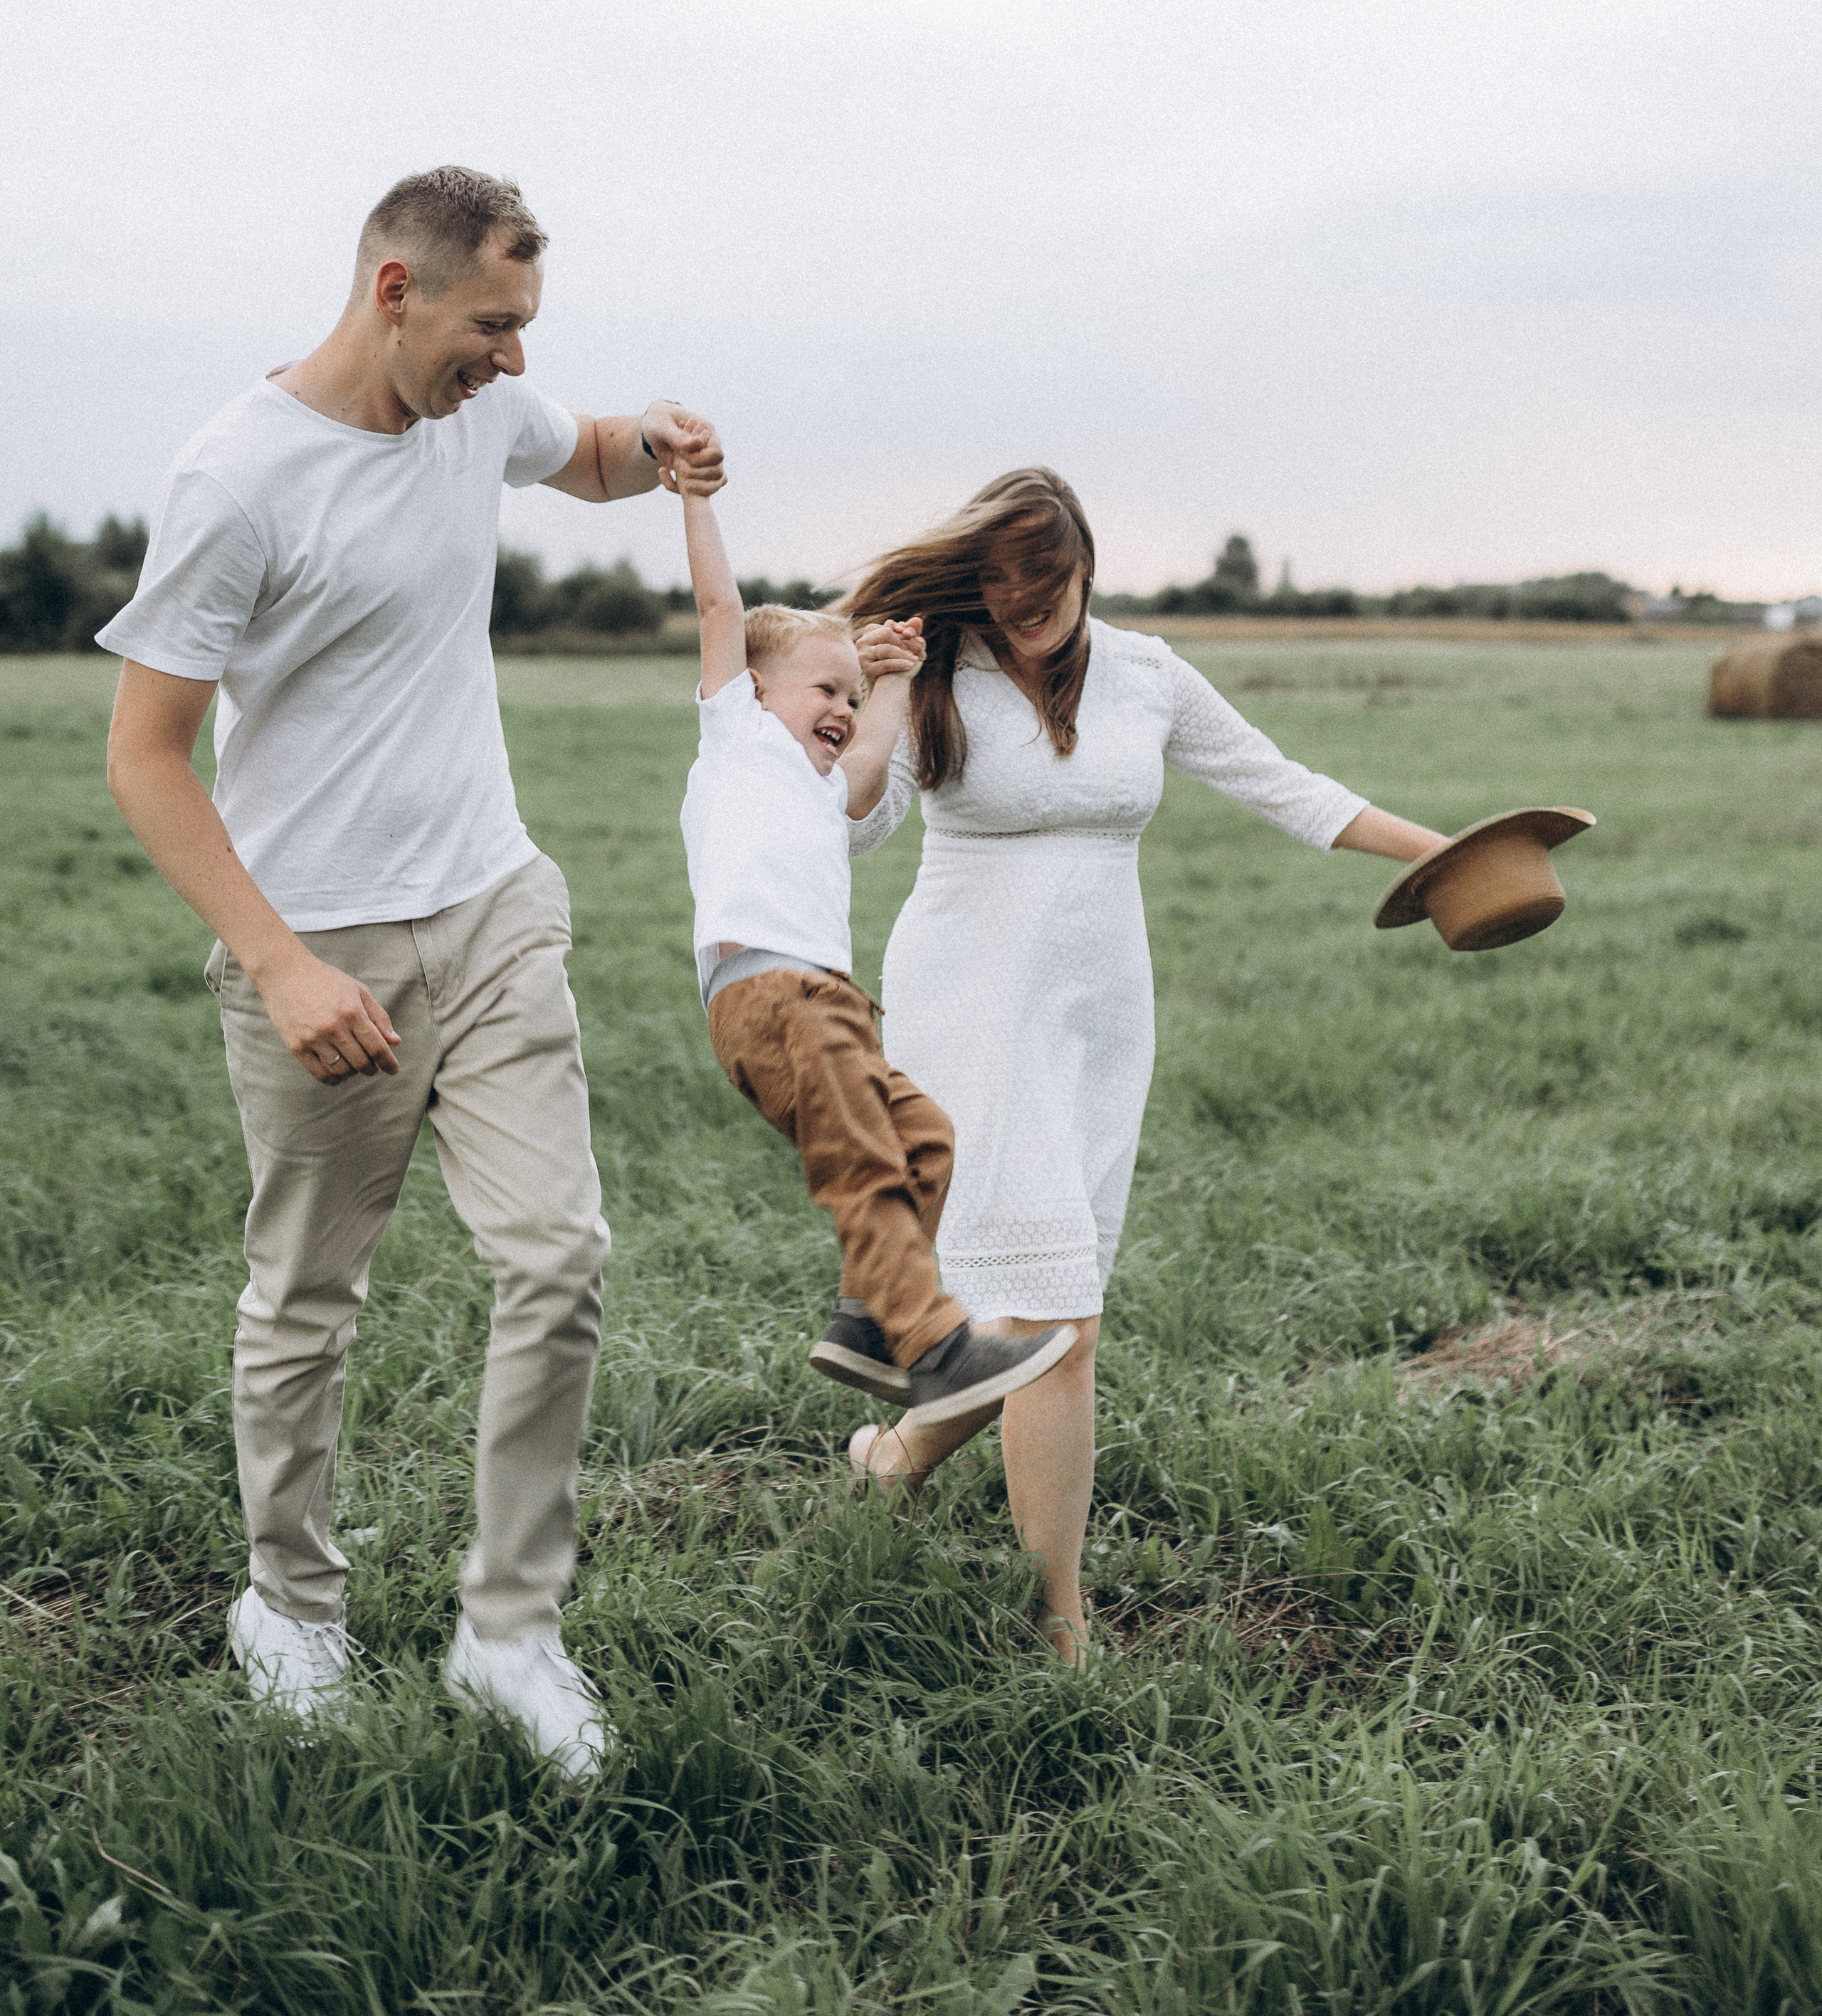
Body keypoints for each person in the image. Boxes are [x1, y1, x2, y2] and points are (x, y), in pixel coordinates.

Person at [101, 164, 723, 1782]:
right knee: (307, 1295)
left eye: (526, 330)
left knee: (558, 1257)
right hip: (325, 948)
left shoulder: (475, 415)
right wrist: (281, 963)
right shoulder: (237, 481)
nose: (510, 362)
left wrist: (654, 446)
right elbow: (150, 759)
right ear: (396, 291)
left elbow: (578, 456)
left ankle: (510, 1630)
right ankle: (289, 1606)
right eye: (489, 326)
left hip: (496, 903)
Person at [841, 468, 1446, 1663]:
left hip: (1100, 1017)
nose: (1021, 607)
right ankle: (1062, 1628)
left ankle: (895, 1455)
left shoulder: (1146, 673)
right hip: (971, 1008)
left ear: (1084, 571)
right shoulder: (936, 673)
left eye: (1044, 587)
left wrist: (1443, 852)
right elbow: (854, 825)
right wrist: (881, 693)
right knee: (1060, 1315)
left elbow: (1282, 783)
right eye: (999, 584)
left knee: (1036, 1303)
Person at [677, 474, 1076, 1427]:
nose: (844, 712)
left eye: (850, 699)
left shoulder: (817, 785)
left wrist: (890, 680)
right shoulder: (739, 736)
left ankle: (866, 1320)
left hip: (825, 1002)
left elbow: (863, 778)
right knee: (862, 1163)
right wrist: (691, 494)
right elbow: (720, 604)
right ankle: (932, 1341)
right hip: (773, 993)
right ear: (754, 687)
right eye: (827, 688)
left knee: (922, 1137)